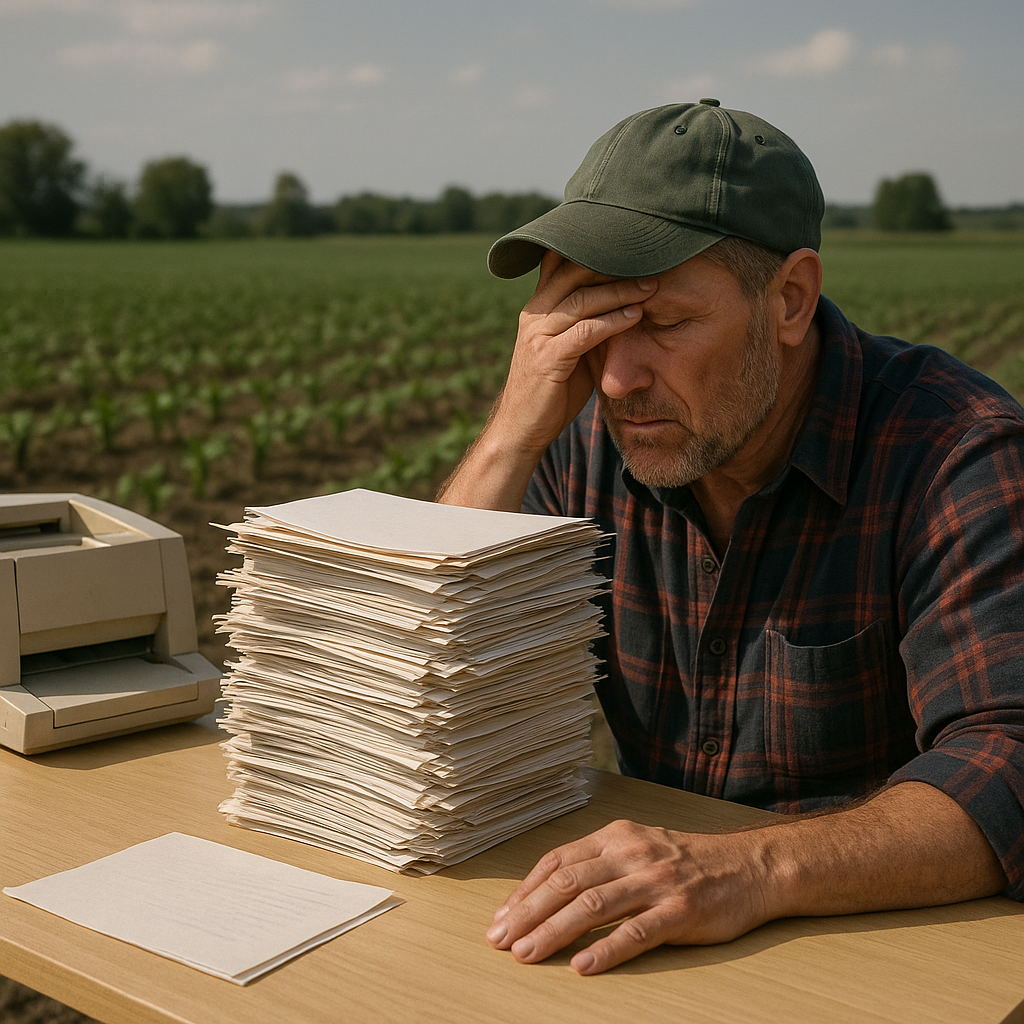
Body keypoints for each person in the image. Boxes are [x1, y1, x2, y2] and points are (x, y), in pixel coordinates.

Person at [436, 99, 1024, 975]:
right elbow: (416, 678)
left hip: (879, 952)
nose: (620, 377)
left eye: (664, 323)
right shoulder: (584, 438)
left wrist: (753, 866)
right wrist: (510, 436)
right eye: (592, 325)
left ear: (790, 299)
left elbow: (1009, 759)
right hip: (652, 949)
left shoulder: (954, 453)